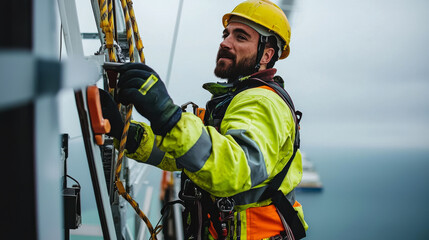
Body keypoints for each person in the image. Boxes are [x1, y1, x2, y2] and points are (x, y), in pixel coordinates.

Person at [100, 0, 308, 239]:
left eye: (240, 37)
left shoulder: (261, 102)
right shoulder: (234, 99)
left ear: (267, 54)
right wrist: (127, 133)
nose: (225, 42)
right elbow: (189, 156)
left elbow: (233, 170)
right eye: (226, 34)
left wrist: (169, 117)